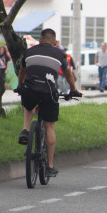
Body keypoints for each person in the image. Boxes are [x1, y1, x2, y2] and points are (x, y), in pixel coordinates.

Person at [17, 28, 82, 177]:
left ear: (39, 40)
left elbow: (22, 72)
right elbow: (68, 74)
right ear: (54, 43)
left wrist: (21, 86)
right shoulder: (60, 54)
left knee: (28, 105)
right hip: (49, 93)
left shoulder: (29, 52)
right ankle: (50, 166)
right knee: (49, 127)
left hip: (30, 89)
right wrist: (73, 90)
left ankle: (25, 130)